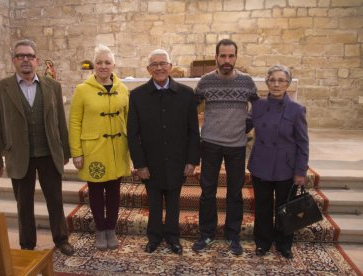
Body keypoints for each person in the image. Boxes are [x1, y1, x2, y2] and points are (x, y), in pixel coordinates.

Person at [0, 39, 74, 256]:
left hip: (48, 153)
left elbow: (60, 122)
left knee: (55, 199)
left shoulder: (52, 86)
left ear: (36, 60)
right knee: (23, 203)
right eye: (20, 56)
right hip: (18, 154)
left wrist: (66, 151)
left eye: (29, 56)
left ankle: (61, 239)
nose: (25, 60)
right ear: (13, 61)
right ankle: (27, 244)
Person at [127, 49, 200, 255]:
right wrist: (139, 164)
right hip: (151, 161)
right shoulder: (138, 95)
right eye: (154, 64)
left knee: (174, 202)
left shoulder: (186, 94)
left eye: (163, 63)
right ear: (148, 69)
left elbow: (193, 131)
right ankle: (154, 237)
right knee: (154, 202)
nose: (159, 68)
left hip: (178, 160)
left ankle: (173, 237)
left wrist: (191, 160)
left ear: (170, 66)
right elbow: (132, 133)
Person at [192, 39, 258, 255]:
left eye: (231, 56)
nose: (227, 60)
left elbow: (258, 110)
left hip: (237, 146)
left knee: (235, 193)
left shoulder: (247, 82)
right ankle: (207, 233)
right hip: (210, 144)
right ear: (217, 57)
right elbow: (190, 109)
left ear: (236, 57)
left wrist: (245, 127)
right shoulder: (205, 82)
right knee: (208, 192)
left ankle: (233, 235)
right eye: (223, 56)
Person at [69, 44, 130, 250]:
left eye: (107, 62)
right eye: (99, 62)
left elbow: (128, 119)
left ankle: (110, 228)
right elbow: (75, 122)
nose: (103, 66)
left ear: (113, 65)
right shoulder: (82, 90)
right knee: (95, 192)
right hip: (93, 149)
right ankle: (100, 230)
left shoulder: (123, 89)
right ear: (93, 65)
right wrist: (76, 152)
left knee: (114, 191)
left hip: (117, 149)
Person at [247, 65, 309, 259]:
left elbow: (302, 142)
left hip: (286, 166)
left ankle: (284, 243)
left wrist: (300, 171)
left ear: (288, 84)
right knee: (262, 206)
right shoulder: (257, 105)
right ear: (267, 82)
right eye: (272, 80)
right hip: (261, 163)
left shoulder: (296, 109)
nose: (276, 84)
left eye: (281, 80)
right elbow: (244, 125)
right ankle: (262, 242)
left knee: (284, 208)